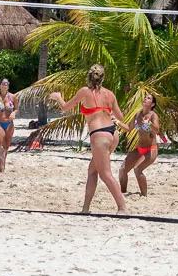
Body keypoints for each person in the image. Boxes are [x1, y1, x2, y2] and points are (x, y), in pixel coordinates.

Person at [50, 64, 128, 214]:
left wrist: (58, 97)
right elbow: (121, 117)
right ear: (103, 78)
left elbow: (65, 107)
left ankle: (122, 208)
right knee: (93, 170)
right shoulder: (110, 94)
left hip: (99, 135)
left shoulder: (85, 92)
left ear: (89, 77)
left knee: (105, 174)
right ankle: (85, 208)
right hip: (113, 133)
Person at [115, 94, 160, 196]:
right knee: (123, 169)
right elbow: (128, 128)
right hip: (140, 148)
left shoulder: (153, 116)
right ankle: (123, 192)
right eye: (145, 97)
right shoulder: (137, 115)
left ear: (152, 104)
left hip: (151, 149)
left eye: (148, 98)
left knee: (137, 169)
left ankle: (144, 195)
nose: (145, 99)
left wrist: (148, 124)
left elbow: (156, 130)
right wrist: (117, 122)